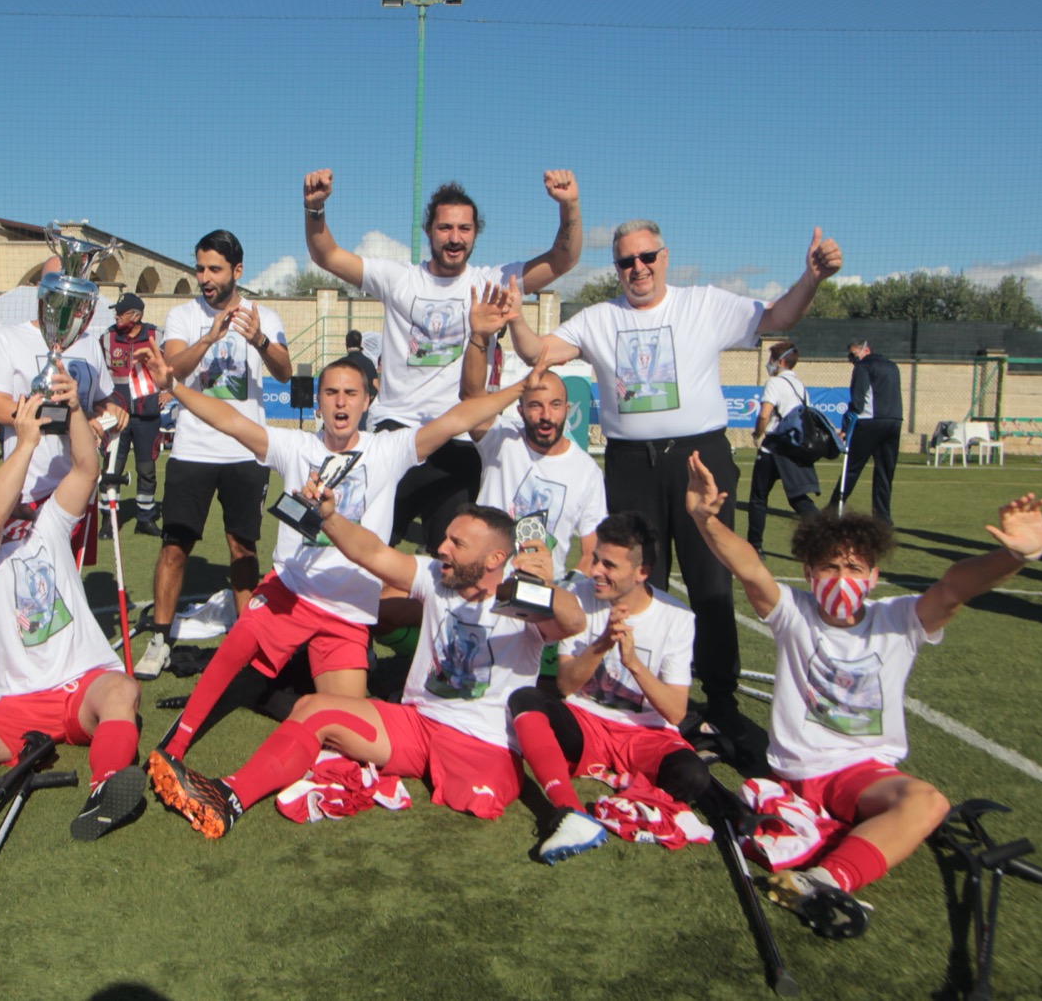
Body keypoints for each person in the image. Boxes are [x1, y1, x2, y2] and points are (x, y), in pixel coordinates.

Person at [504, 219, 843, 748]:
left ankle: (721, 700)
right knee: (642, 581)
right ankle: (637, 691)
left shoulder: (703, 303)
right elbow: (535, 351)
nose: (637, 268)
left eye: (647, 257)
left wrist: (812, 278)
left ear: (664, 257)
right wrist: (514, 317)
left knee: (711, 580)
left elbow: (779, 315)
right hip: (629, 463)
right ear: (615, 268)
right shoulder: (598, 318)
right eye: (625, 261)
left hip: (698, 458)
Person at [686, 451, 1042, 939]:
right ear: (809, 574)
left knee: (922, 802)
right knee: (928, 803)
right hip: (812, 772)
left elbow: (953, 588)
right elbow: (749, 568)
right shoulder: (795, 613)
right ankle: (825, 881)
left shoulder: (897, 620)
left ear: (874, 576)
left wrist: (1016, 556)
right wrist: (704, 519)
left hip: (865, 774)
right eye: (829, 567)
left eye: (855, 567)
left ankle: (824, 867)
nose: (842, 578)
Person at [143, 343, 556, 761]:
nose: (340, 402)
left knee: (348, 731)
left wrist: (521, 387)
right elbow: (231, 421)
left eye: (351, 394)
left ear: (367, 402)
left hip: (348, 612)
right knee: (240, 639)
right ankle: (172, 746)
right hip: (292, 594)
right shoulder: (295, 447)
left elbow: (455, 420)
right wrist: (174, 385)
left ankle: (264, 692)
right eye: (331, 393)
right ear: (318, 402)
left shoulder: (388, 450)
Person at [148, 494, 584, 838]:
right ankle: (228, 797)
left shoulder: (521, 599)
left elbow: (572, 621)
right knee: (316, 708)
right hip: (418, 725)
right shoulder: (436, 575)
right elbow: (371, 553)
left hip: (483, 744)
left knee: (470, 801)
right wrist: (329, 518)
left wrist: (546, 588)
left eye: (457, 544)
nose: (441, 548)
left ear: (493, 560)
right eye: (446, 538)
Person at [302, 168, 582, 551]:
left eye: (464, 229)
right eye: (445, 228)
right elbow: (327, 255)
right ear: (429, 230)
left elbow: (562, 259)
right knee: (360, 552)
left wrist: (569, 207)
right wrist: (315, 210)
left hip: (460, 439)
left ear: (475, 233)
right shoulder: (398, 278)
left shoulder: (493, 281)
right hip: (396, 433)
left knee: (451, 561)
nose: (455, 238)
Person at [0, 382, 146, 840]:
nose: (15, 474)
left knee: (122, 692)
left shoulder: (45, 524)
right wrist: (25, 441)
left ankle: (105, 786)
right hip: (19, 701)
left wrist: (72, 410)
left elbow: (87, 470)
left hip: (83, 681)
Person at [508, 511, 711, 862]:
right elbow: (565, 684)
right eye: (597, 559)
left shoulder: (677, 618)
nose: (596, 571)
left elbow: (676, 712)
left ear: (641, 572)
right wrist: (602, 644)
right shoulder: (578, 595)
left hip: (645, 734)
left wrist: (633, 663)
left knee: (693, 776)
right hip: (586, 722)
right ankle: (569, 811)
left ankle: (625, 794)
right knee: (526, 700)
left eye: (609, 565)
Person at [136, 230, 292, 680]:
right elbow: (169, 374)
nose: (204, 277)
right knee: (174, 548)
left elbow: (282, 372)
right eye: (200, 268)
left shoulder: (264, 314)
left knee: (242, 547)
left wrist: (260, 339)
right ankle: (161, 640)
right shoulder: (182, 315)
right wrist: (208, 339)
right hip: (193, 450)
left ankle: (245, 643)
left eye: (214, 269)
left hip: (246, 452)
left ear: (237, 271)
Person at [463, 281, 606, 580]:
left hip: (542, 593)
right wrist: (479, 337)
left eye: (555, 405)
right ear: (520, 410)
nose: (545, 416)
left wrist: (563, 590)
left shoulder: (586, 471)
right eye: (535, 406)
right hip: (483, 582)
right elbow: (471, 399)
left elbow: (593, 552)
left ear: (568, 410)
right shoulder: (502, 440)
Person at [0, 255, 123, 542]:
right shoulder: (7, 337)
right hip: (29, 486)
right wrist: (71, 418)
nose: (67, 296)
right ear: (40, 289)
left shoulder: (90, 343)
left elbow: (102, 402)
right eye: (58, 286)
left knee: (68, 580)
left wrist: (112, 414)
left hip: (79, 486)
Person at [100, 292, 166, 538]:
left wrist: (169, 391)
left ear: (136, 316)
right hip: (116, 417)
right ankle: (108, 519)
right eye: (116, 312)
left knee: (146, 469)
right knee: (111, 467)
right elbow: (99, 374)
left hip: (147, 416)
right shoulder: (106, 338)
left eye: (122, 312)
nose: (116, 316)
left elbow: (174, 366)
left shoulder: (157, 336)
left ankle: (145, 518)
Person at [746, 340, 822, 555]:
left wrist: (758, 433)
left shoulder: (775, 383)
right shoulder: (801, 387)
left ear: (780, 362)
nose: (769, 364)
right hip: (793, 449)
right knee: (798, 498)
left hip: (773, 447)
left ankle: (755, 545)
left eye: (771, 360)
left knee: (759, 497)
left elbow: (764, 413)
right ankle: (826, 532)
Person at [834, 339, 903, 524]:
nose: (851, 359)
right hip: (894, 422)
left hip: (870, 422)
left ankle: (833, 509)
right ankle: (883, 518)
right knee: (885, 471)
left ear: (865, 349)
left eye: (853, 354)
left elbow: (858, 400)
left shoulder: (863, 367)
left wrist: (846, 428)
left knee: (852, 467)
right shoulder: (893, 366)